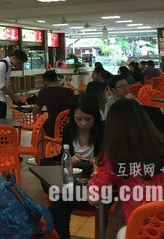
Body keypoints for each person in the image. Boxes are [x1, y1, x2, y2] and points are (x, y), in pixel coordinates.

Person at [88, 99, 164, 239]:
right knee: (120, 209)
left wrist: (96, 170)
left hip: (145, 230)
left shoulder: (116, 154)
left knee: (120, 216)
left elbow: (93, 197)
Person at [47, 95, 104, 239]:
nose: (83, 123)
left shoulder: (103, 129)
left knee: (58, 204)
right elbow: (64, 155)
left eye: (88, 119)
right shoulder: (69, 129)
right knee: (58, 204)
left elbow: (109, 159)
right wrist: (69, 159)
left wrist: (97, 161)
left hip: (97, 185)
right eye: (79, 119)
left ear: (95, 116)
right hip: (75, 182)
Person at [0, 49, 28, 119]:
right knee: (0, 121)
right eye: (19, 63)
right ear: (14, 58)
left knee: (0, 119)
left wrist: (12, 97)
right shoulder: (2, 65)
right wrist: (13, 97)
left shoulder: (8, 66)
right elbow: (1, 85)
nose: (19, 65)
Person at [32, 70, 75, 136]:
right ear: (56, 79)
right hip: (69, 128)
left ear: (45, 81)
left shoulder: (44, 92)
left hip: (53, 129)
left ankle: (43, 141)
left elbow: (35, 111)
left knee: (41, 125)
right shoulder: (69, 91)